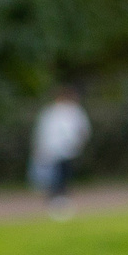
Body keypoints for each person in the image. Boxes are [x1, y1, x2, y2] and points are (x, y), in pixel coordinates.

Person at [28, 87, 91, 217]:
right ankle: (54, 200)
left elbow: (82, 130)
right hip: (52, 150)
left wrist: (78, 143)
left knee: (64, 175)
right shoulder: (51, 112)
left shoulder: (74, 111)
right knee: (53, 176)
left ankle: (62, 199)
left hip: (68, 150)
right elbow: (43, 131)